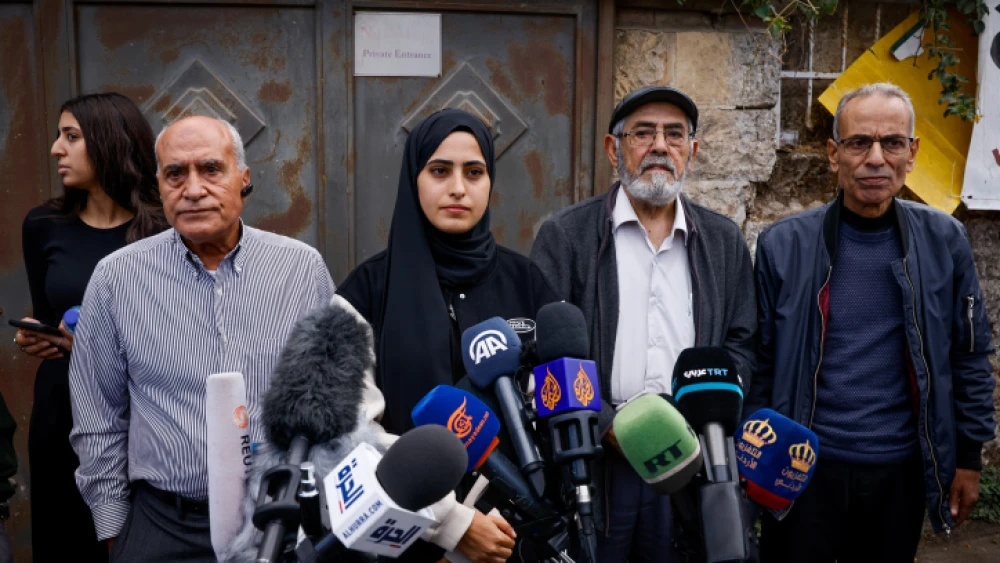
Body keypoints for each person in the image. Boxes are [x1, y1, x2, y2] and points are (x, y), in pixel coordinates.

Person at [747, 82, 996, 562]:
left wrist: (968, 460)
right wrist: (753, 452)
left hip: (899, 473)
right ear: (833, 153)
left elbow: (968, 356)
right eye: (859, 142)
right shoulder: (784, 245)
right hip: (802, 469)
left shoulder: (946, 241)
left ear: (912, 152)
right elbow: (762, 359)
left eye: (892, 142)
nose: (876, 158)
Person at [68, 115, 335, 562]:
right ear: (158, 186)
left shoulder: (301, 270)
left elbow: (332, 404)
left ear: (243, 178)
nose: (193, 189)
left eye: (211, 169)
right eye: (176, 173)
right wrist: (116, 531)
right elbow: (98, 417)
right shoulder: (116, 280)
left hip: (279, 520)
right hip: (164, 526)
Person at [530, 86, 757, 562]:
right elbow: (547, 354)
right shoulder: (566, 236)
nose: (660, 146)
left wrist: (708, 411)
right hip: (597, 460)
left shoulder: (721, 241)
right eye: (643, 133)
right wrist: (611, 425)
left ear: (692, 151)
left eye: (674, 135)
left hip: (694, 459)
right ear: (615, 148)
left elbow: (742, 343)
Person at [337, 108, 559, 563]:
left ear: (490, 182)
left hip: (518, 540)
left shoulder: (528, 282)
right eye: (439, 170)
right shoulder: (364, 292)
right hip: (406, 541)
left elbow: (558, 405)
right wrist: (451, 524)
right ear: (413, 179)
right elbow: (351, 432)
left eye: (473, 172)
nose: (458, 187)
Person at [13, 92, 168, 562]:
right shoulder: (43, 224)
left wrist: (105, 347)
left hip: (145, 411)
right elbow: (47, 312)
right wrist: (34, 338)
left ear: (108, 143)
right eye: (59, 136)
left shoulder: (164, 228)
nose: (57, 149)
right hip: (62, 411)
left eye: (71, 137)